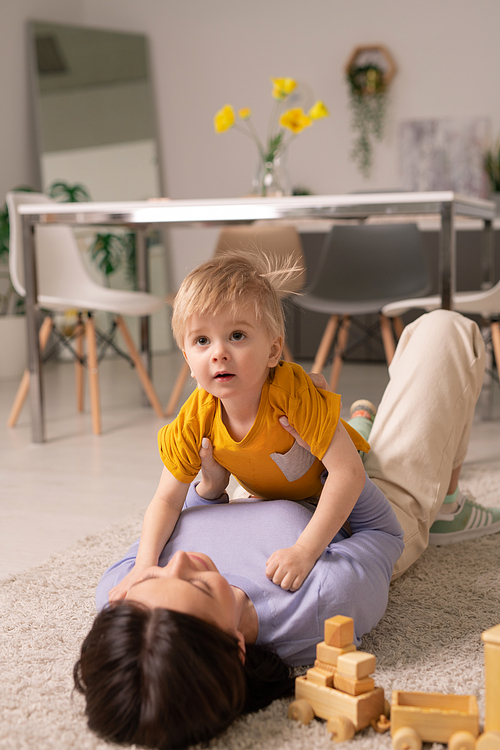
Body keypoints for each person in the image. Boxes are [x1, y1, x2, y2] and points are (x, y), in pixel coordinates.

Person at [74, 309, 500, 750]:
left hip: (271, 476)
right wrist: (335, 466)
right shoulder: (323, 602)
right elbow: (384, 536)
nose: (179, 561)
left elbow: (177, 516)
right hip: (359, 505)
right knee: (444, 331)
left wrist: (210, 489)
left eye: (158, 574)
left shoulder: (124, 595)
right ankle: (439, 501)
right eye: (199, 587)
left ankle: (359, 425)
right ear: (236, 646)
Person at [110, 250, 371, 600]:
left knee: (367, 449)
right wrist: (145, 565)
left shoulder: (292, 395)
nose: (218, 353)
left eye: (236, 335)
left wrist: (304, 551)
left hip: (334, 476)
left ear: (273, 350)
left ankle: (362, 421)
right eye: (202, 341)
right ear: (188, 359)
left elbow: (348, 474)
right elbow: (168, 500)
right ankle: (360, 417)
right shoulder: (194, 418)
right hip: (276, 495)